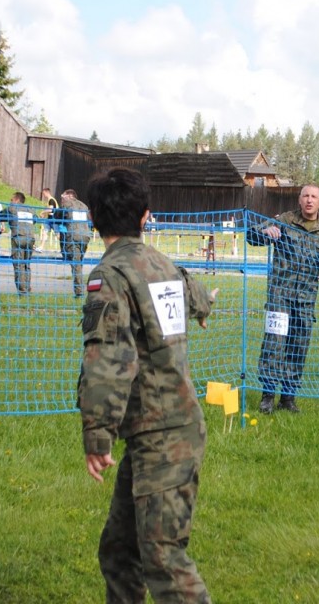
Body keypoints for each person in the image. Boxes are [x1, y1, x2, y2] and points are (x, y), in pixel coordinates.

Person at [78, 167, 217, 603]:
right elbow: (194, 292)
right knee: (120, 552)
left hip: (164, 435)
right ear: (145, 216)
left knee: (163, 559)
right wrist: (203, 307)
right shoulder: (162, 263)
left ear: (93, 219)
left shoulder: (110, 276)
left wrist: (97, 435)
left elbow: (110, 358)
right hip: (157, 432)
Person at [246, 184, 319, 414]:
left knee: (298, 346)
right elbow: (251, 236)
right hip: (279, 296)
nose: (309, 200)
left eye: (314, 196)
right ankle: (267, 396)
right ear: (299, 199)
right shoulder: (284, 220)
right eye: (305, 196)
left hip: (305, 299)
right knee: (274, 344)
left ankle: (288, 397)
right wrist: (265, 231)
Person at [55, 189, 92, 297]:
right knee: (79, 263)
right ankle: (80, 288)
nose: (62, 199)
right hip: (85, 236)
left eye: (63, 196)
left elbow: (57, 216)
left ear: (69, 196)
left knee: (76, 264)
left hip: (73, 236)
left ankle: (79, 292)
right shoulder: (84, 206)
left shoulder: (67, 204)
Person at [0, 192, 36, 295]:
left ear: (16, 200)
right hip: (30, 238)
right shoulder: (30, 209)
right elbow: (35, 219)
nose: (10, 202)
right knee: (26, 264)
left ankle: (22, 292)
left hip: (18, 237)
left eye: (11, 200)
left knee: (18, 265)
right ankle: (27, 288)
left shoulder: (12, 208)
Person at [36, 187, 59, 253]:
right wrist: (45, 215)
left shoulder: (51, 200)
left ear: (46, 192)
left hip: (54, 219)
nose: (43, 195)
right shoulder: (49, 200)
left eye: (43, 193)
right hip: (49, 219)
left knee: (57, 234)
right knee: (44, 232)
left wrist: (42, 212)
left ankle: (65, 246)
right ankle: (41, 247)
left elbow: (51, 209)